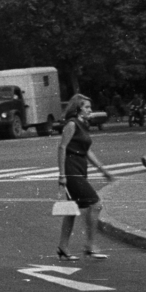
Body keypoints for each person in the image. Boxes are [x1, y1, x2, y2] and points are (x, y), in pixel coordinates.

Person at [55, 95, 115, 260]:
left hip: (80, 169)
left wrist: (103, 170)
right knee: (95, 204)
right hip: (71, 170)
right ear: (78, 108)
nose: (90, 110)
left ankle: (63, 247)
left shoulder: (83, 125)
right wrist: (62, 175)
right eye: (87, 107)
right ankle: (90, 245)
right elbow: (62, 148)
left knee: (71, 210)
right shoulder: (72, 124)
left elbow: (87, 150)